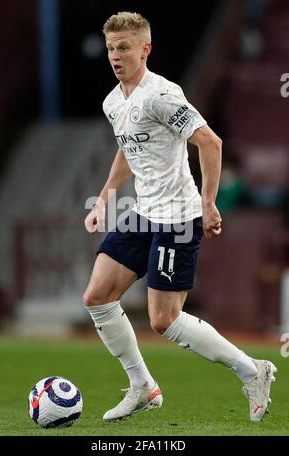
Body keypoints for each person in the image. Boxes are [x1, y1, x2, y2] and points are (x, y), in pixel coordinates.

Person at [83, 12, 276, 422]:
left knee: (163, 320)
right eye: (111, 49)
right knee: (97, 296)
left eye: (124, 48)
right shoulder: (113, 102)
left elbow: (210, 142)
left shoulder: (162, 95)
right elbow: (127, 151)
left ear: (145, 49)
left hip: (177, 216)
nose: (116, 56)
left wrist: (208, 202)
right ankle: (142, 387)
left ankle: (253, 371)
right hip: (143, 213)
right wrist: (103, 199)